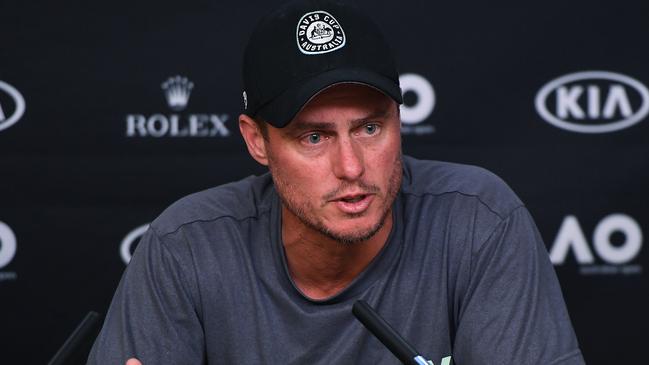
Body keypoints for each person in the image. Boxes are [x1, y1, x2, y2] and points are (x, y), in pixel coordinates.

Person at [88, 0, 585, 364]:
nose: (352, 167)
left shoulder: (479, 219)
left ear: (398, 118)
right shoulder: (186, 245)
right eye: (313, 137)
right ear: (256, 141)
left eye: (370, 128)